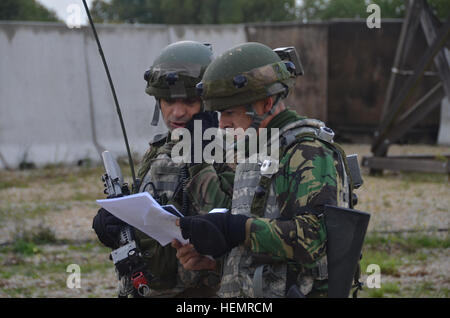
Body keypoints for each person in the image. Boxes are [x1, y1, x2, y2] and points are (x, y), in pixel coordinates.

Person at [175, 42, 355, 298]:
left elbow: (314, 238)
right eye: (219, 114)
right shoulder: (256, 152)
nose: (223, 124)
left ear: (266, 103)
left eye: (230, 112)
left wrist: (237, 228)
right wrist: (214, 260)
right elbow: (262, 252)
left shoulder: (308, 151)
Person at [92, 41, 234, 297]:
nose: (177, 112)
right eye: (168, 101)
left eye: (190, 101)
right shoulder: (160, 148)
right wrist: (116, 223)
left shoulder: (231, 150)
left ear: (208, 102)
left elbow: (225, 222)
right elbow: (149, 209)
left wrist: (200, 155)